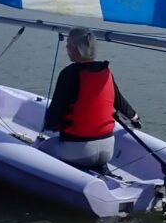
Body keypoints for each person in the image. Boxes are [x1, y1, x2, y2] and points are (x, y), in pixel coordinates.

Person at [37, 27, 141, 169]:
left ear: (75, 48)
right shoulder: (106, 72)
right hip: (107, 150)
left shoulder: (69, 74)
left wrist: (49, 125)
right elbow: (120, 102)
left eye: (68, 44)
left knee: (40, 147)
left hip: (78, 150)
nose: (66, 47)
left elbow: (53, 114)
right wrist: (134, 118)